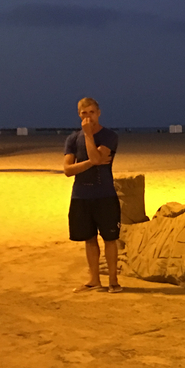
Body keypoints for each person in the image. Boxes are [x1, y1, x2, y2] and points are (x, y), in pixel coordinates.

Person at [63, 97, 122, 293]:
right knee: (89, 238)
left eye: (91, 113)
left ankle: (113, 281)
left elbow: (96, 155)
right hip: (81, 195)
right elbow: (68, 169)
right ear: (79, 115)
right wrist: (90, 163)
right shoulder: (72, 139)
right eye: (84, 113)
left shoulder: (109, 136)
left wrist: (88, 136)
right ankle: (94, 279)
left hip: (105, 194)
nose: (88, 117)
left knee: (109, 239)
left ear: (98, 113)